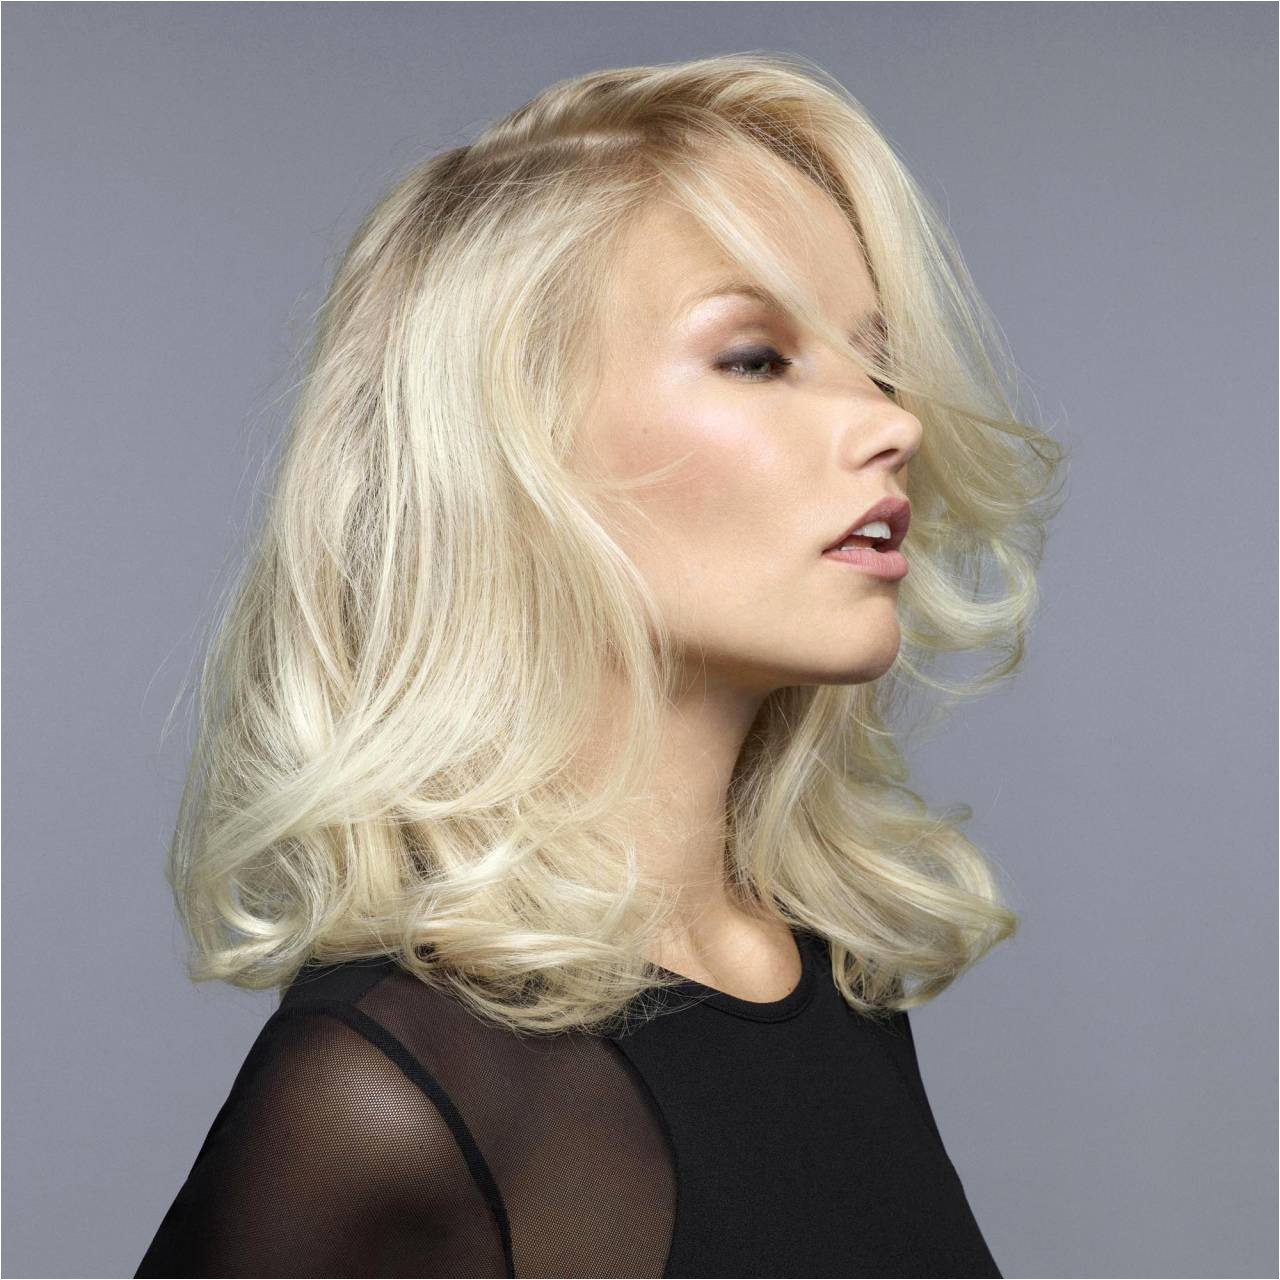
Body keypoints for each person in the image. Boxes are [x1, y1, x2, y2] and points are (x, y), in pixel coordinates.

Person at [136, 50, 1066, 1278]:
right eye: (754, 356)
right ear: (507, 446)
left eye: (876, 359)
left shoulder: (829, 980)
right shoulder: (389, 1101)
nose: (894, 421)